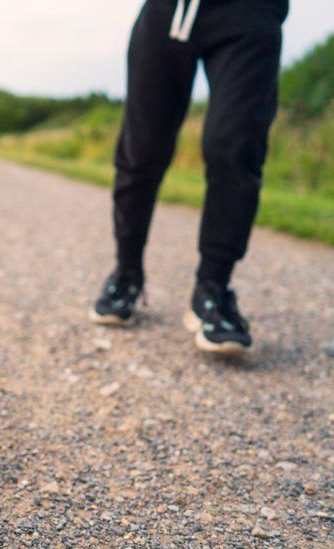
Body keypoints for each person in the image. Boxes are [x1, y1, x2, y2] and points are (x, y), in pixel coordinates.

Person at [90, 0, 288, 353]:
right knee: (141, 150)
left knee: (236, 144)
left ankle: (213, 288)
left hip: (250, 12)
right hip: (168, 11)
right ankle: (127, 273)